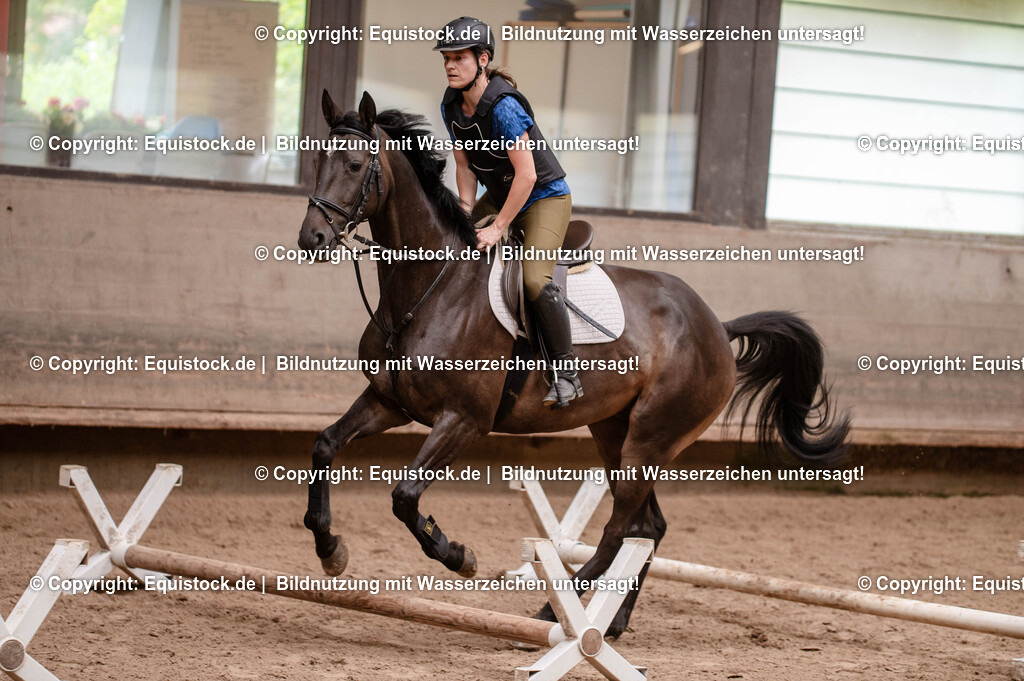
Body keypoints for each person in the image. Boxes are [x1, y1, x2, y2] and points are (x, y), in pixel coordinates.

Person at [434, 16, 583, 409]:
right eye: (446, 58)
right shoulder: (451, 104)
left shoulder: (503, 107)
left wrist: (498, 227)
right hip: (502, 195)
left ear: (482, 60)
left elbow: (528, 174)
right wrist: (465, 212)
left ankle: (567, 373)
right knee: (454, 244)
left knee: (534, 280)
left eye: (459, 58)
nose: (450, 65)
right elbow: (465, 167)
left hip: (543, 198)